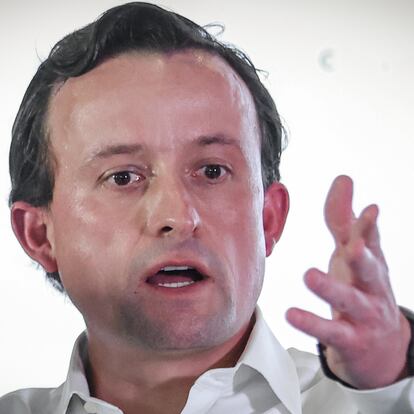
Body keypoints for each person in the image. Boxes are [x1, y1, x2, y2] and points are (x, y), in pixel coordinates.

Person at [1, 2, 413, 413]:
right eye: (123, 177)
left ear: (268, 219)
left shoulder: (373, 402)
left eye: (212, 171)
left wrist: (395, 373)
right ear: (40, 235)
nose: (177, 218)